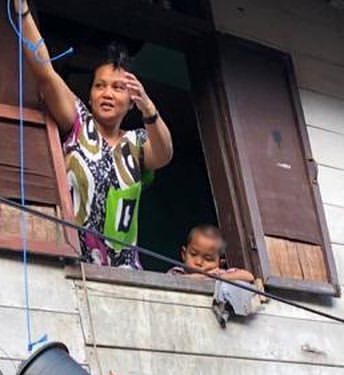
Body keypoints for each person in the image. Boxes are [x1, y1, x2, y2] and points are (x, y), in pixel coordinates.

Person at [13, 2, 174, 268]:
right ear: (90, 94)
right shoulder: (79, 122)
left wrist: (149, 108)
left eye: (118, 88)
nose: (107, 93)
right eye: (100, 86)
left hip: (126, 273)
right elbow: (45, 72)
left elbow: (165, 154)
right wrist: (23, 12)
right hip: (75, 265)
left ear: (131, 100)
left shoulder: (136, 143)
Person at [168, 224, 256, 282]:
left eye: (208, 259)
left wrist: (212, 278)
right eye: (193, 254)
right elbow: (168, 282)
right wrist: (194, 279)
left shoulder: (219, 273)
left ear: (220, 263)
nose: (198, 262)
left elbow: (248, 276)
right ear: (184, 254)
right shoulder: (177, 272)